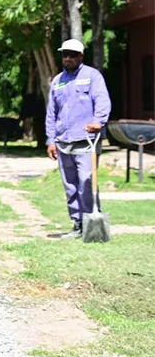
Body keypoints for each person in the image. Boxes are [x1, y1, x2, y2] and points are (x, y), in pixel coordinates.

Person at [45, 38, 111, 239]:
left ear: (81, 56)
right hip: (64, 141)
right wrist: (50, 140)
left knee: (86, 183)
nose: (68, 58)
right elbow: (51, 112)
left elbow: (102, 100)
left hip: (86, 141)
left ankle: (92, 221)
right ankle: (77, 224)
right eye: (65, 54)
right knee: (70, 186)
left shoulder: (92, 76)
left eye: (72, 54)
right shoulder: (58, 81)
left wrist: (98, 121)